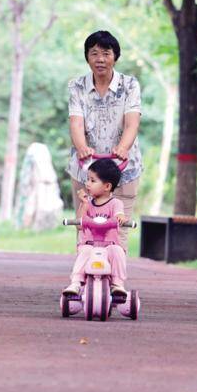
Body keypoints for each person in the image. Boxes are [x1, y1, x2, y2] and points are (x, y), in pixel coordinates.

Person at [67, 30, 142, 245]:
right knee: (85, 226)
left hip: (124, 168)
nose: (100, 59)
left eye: (106, 53)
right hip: (86, 168)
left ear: (115, 57)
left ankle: (117, 278)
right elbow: (76, 122)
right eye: (94, 53)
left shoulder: (130, 85)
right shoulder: (77, 86)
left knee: (119, 229)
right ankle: (81, 276)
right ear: (87, 57)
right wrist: (82, 147)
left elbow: (132, 122)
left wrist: (123, 147)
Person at [63, 159, 129, 296]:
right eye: (87, 179)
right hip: (90, 243)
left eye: (92, 181)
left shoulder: (115, 203)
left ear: (107, 186)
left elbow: (119, 214)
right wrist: (84, 203)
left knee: (118, 251)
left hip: (109, 244)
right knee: (85, 252)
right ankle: (75, 282)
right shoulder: (88, 203)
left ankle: (117, 284)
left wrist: (121, 218)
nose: (87, 183)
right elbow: (80, 224)